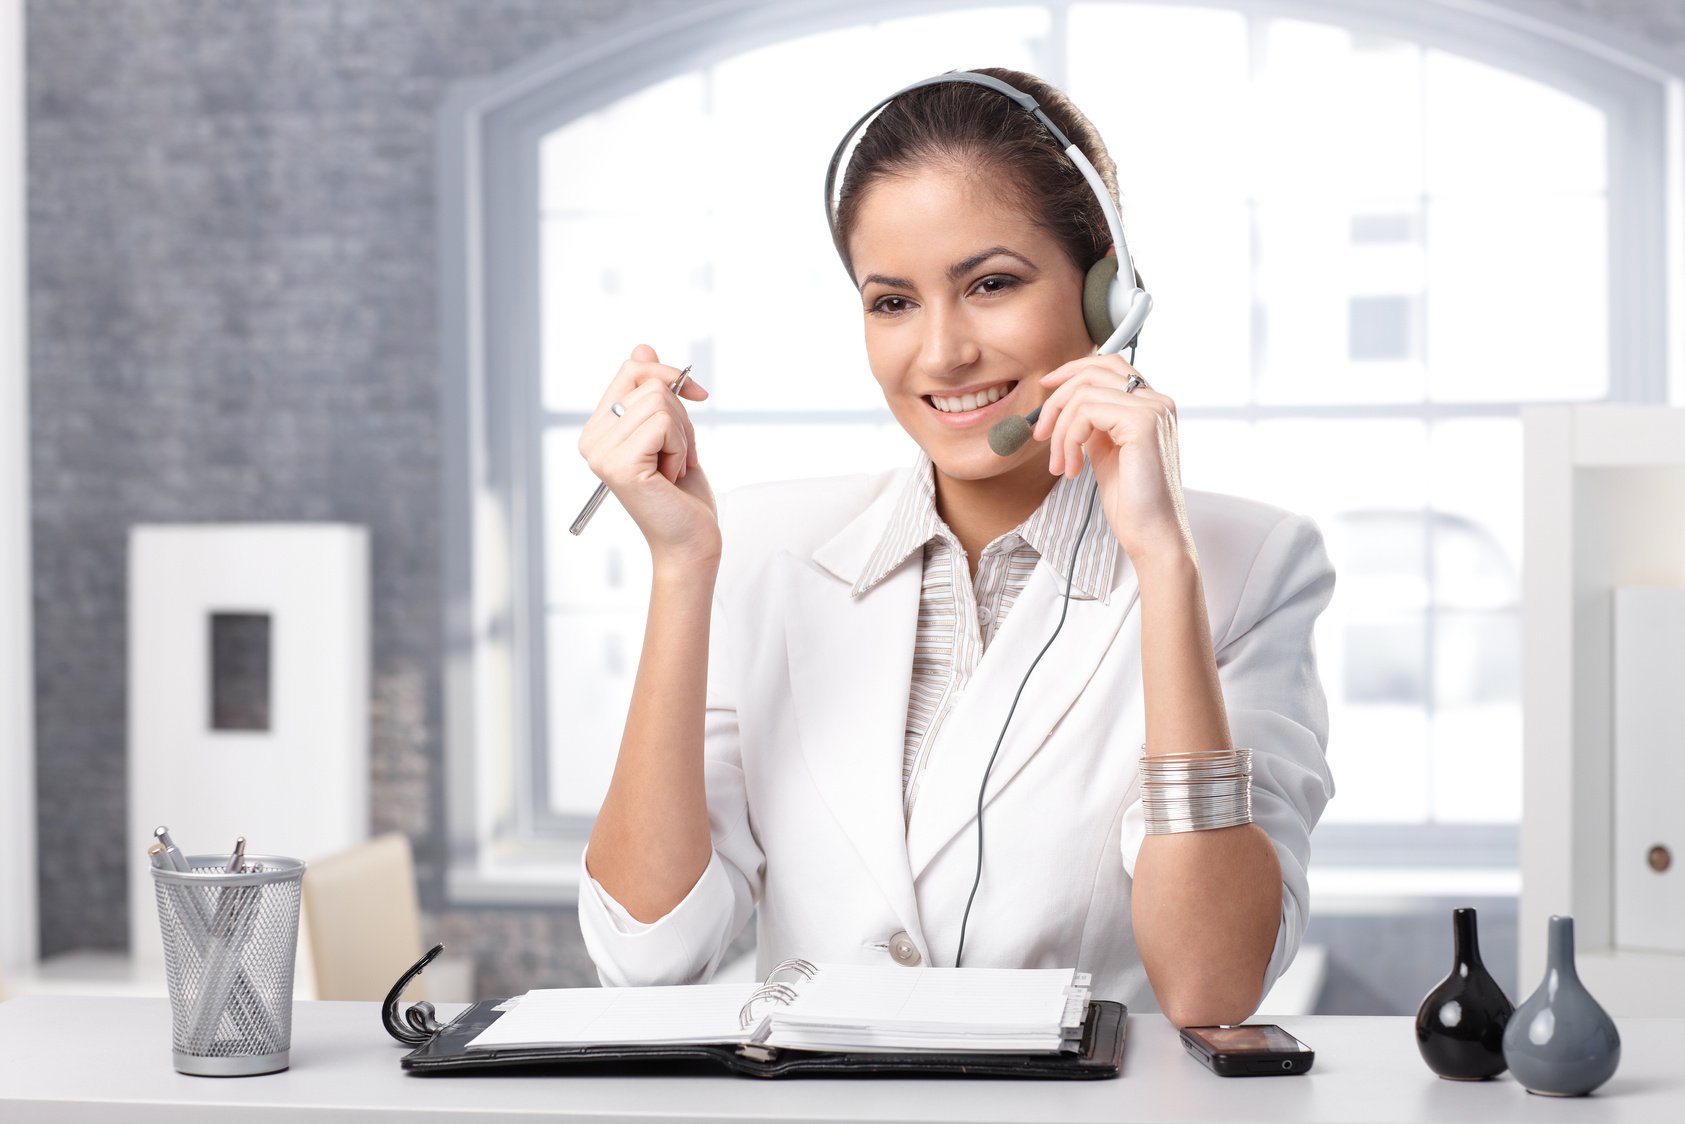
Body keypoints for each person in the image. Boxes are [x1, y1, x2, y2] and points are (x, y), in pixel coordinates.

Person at [574, 67, 1334, 1027]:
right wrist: (681, 571)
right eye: (892, 302)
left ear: (1109, 296)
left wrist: (1162, 564)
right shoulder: (758, 549)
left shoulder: (1250, 565)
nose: (940, 354)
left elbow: (1212, 986)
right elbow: (645, 961)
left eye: (991, 285)